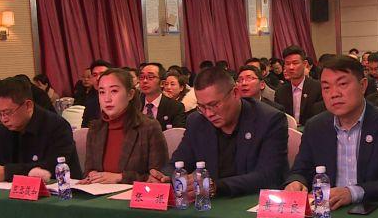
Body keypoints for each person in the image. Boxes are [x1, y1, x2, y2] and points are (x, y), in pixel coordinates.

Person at [285, 55, 378, 209]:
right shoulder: (315, 126)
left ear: (363, 85)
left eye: (342, 84)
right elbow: (300, 169)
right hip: (326, 211)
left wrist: (352, 193)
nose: (334, 93)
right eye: (326, 87)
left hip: (373, 210)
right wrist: (296, 181)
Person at [147, 66, 288, 197]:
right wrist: (165, 176)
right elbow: (178, 162)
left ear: (235, 93)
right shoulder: (197, 121)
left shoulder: (269, 119)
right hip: (208, 204)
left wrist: (215, 186)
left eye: (214, 105)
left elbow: (269, 175)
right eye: (202, 107)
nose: (208, 113)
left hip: (252, 202)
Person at [0, 77, 81, 183]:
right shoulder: (4, 129)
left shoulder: (57, 126)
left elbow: (53, 167)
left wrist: (7, 172)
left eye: (7, 112)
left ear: (28, 106)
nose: (3, 119)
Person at [80, 69, 168, 184]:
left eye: (114, 91)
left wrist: (120, 177)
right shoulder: (95, 128)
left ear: (130, 94)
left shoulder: (148, 127)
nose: (107, 99)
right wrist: (90, 175)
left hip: (133, 194)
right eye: (102, 92)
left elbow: (158, 178)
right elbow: (88, 170)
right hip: (99, 193)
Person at [274, 45, 324, 125]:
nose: (291, 67)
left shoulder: (318, 88)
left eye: (295, 63)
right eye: (287, 63)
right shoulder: (280, 91)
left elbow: (321, 117)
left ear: (305, 64)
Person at [138, 63, 186, 130]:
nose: (144, 81)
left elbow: (177, 133)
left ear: (162, 83)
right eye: (141, 77)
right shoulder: (133, 105)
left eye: (150, 77)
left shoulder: (175, 107)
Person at [82, 59, 113, 128]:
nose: (98, 78)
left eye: (102, 74)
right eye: (94, 75)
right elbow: (85, 128)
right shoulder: (90, 103)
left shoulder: (122, 99)